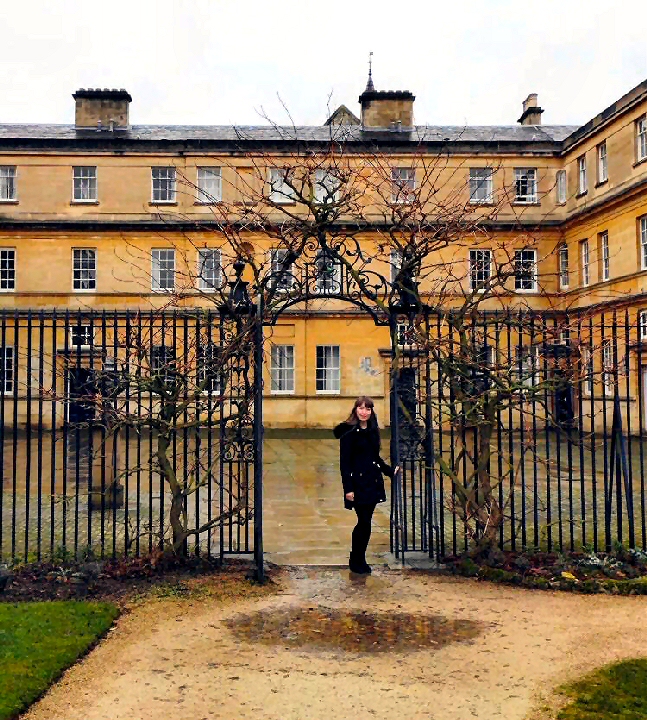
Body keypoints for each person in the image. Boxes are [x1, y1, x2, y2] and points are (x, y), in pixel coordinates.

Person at [333, 396, 398, 574]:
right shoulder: (348, 434)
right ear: (355, 410)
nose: (364, 412)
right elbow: (344, 463)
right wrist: (348, 489)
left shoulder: (372, 431)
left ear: (371, 411)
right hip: (357, 482)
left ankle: (359, 558)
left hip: (372, 481)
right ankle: (356, 559)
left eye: (367, 409)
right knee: (363, 522)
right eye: (361, 408)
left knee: (366, 521)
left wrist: (389, 471)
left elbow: (374, 457)